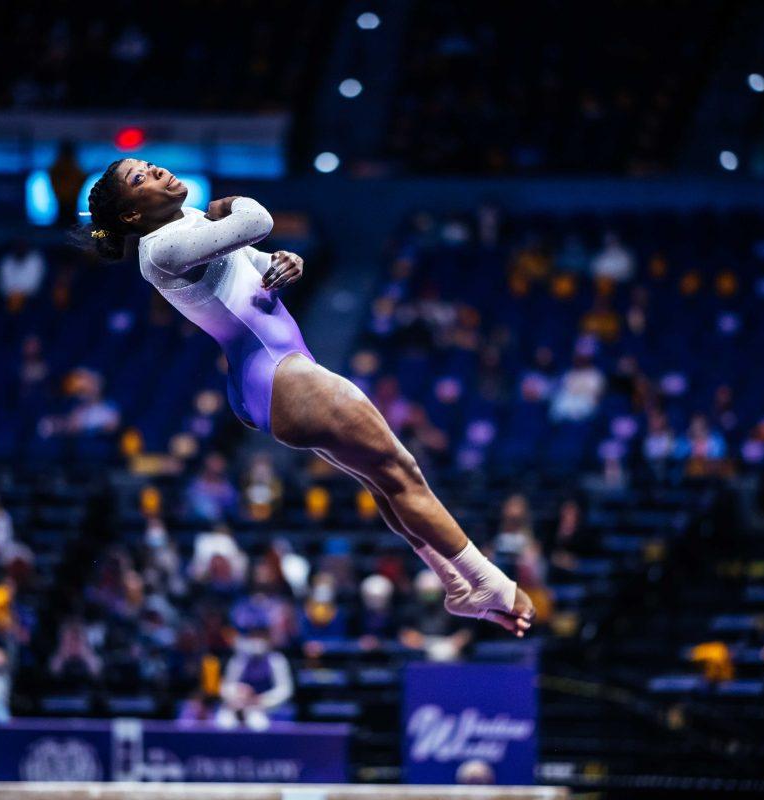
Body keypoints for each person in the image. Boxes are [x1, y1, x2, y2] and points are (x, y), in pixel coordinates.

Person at [72, 159, 534, 635]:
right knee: (402, 472)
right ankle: (487, 583)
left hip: (268, 372)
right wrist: (229, 203)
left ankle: (454, 583)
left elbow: (254, 261)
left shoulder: (188, 228)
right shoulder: (160, 248)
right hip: (277, 371)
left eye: (149, 164)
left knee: (384, 480)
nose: (157, 170)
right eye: (141, 177)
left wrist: (287, 263)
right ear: (130, 216)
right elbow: (257, 222)